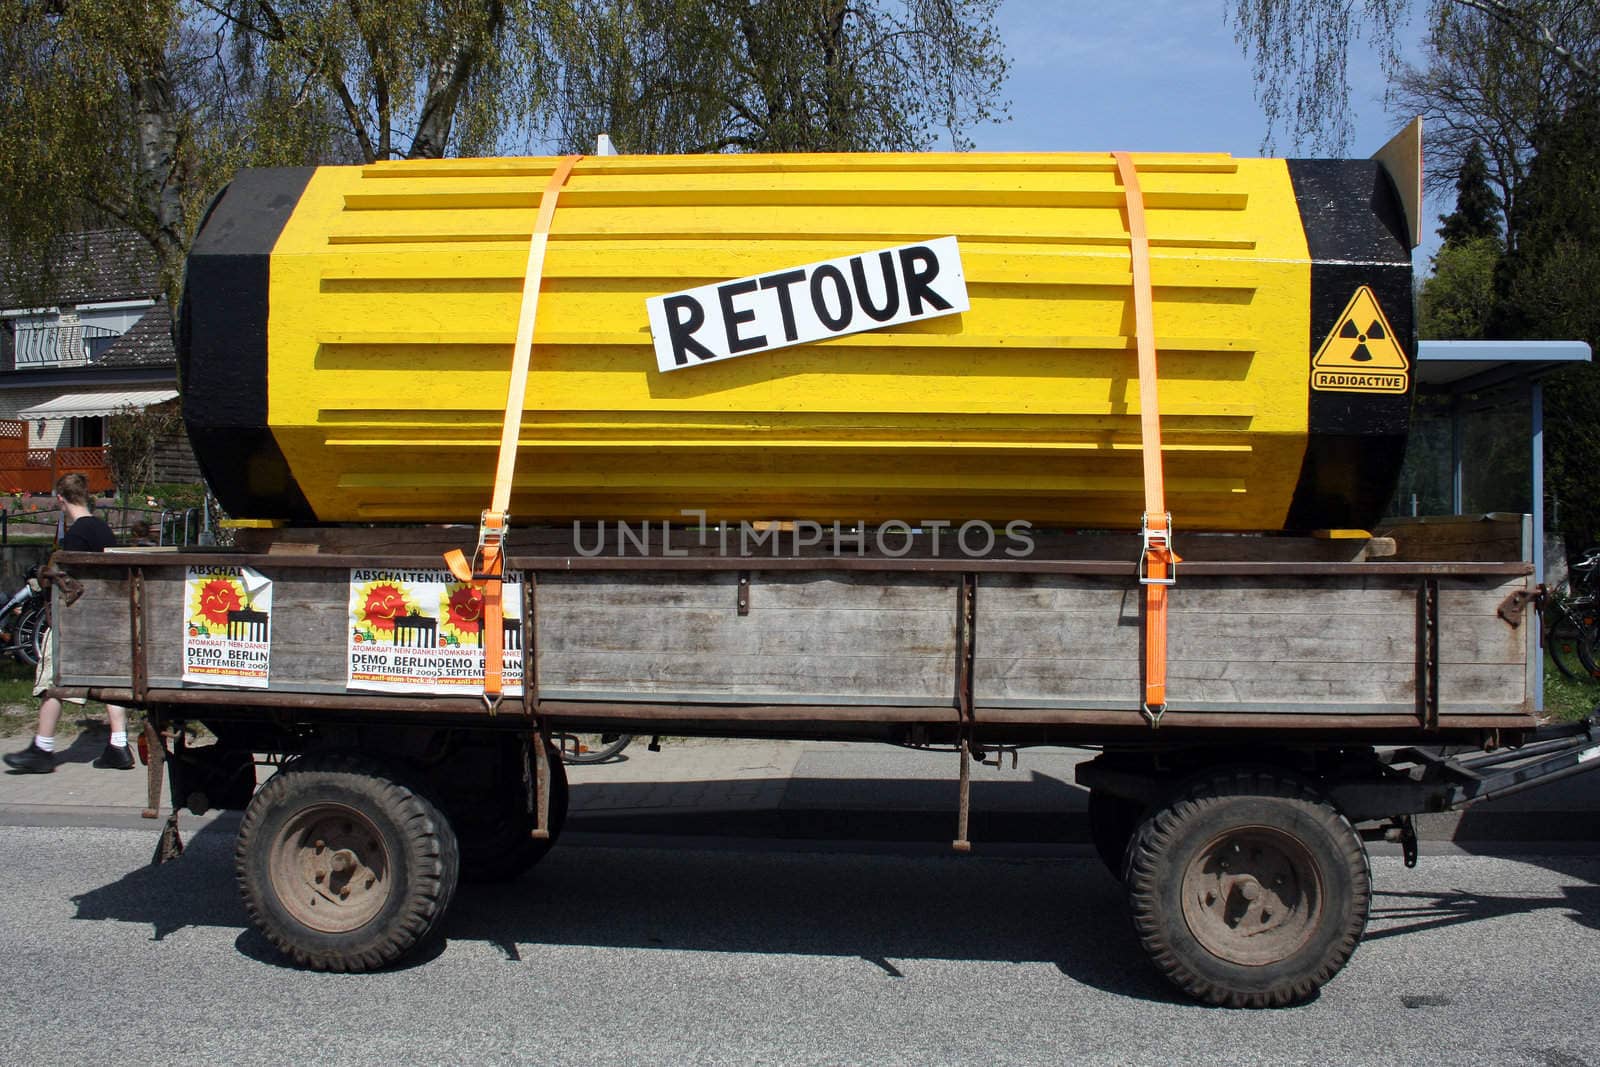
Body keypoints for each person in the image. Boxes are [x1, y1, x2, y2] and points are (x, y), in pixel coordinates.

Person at [4, 473, 134, 773]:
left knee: (53, 679)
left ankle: (42, 748)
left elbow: (70, 584)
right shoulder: (103, 530)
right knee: (110, 683)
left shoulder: (75, 536)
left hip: (78, 622)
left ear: (60, 499)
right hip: (107, 617)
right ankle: (118, 744)